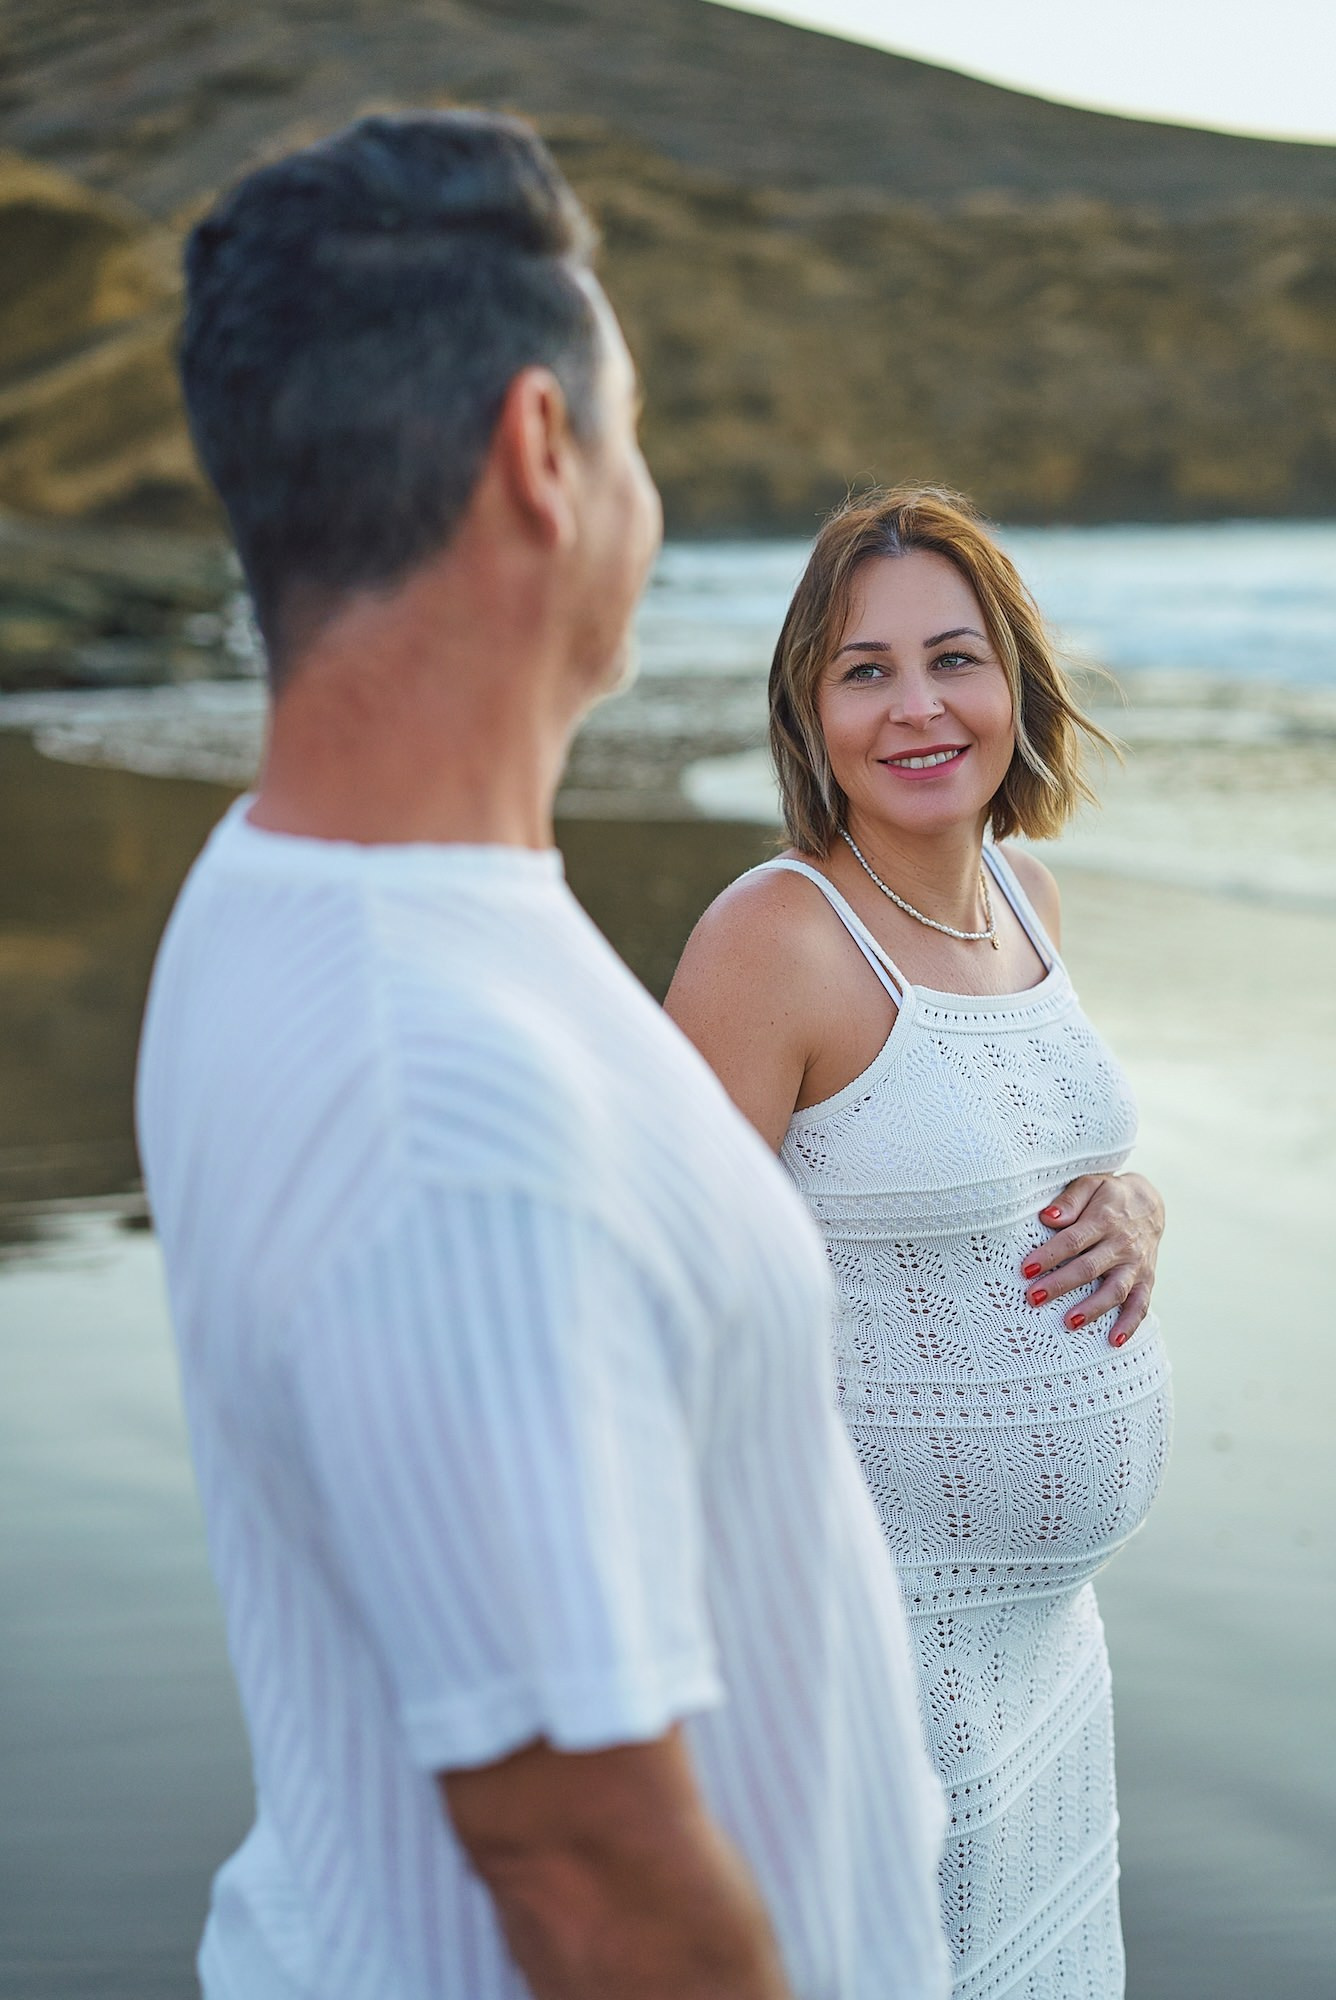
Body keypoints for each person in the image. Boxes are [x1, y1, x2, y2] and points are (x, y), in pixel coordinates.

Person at [135, 114, 952, 2000]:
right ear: (542, 454)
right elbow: (589, 1875)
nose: (652, 503)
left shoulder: (282, 889)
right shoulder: (452, 1106)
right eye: (638, 432)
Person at [665, 487, 1173, 1999]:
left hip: (1046, 1650)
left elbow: (1014, 1158)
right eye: (863, 671)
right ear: (807, 712)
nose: (917, 707)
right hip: (876, 1652)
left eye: (952, 658)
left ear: (1014, 678)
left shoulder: (1029, 896)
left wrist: (1136, 1201)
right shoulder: (778, 938)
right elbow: (656, 1298)